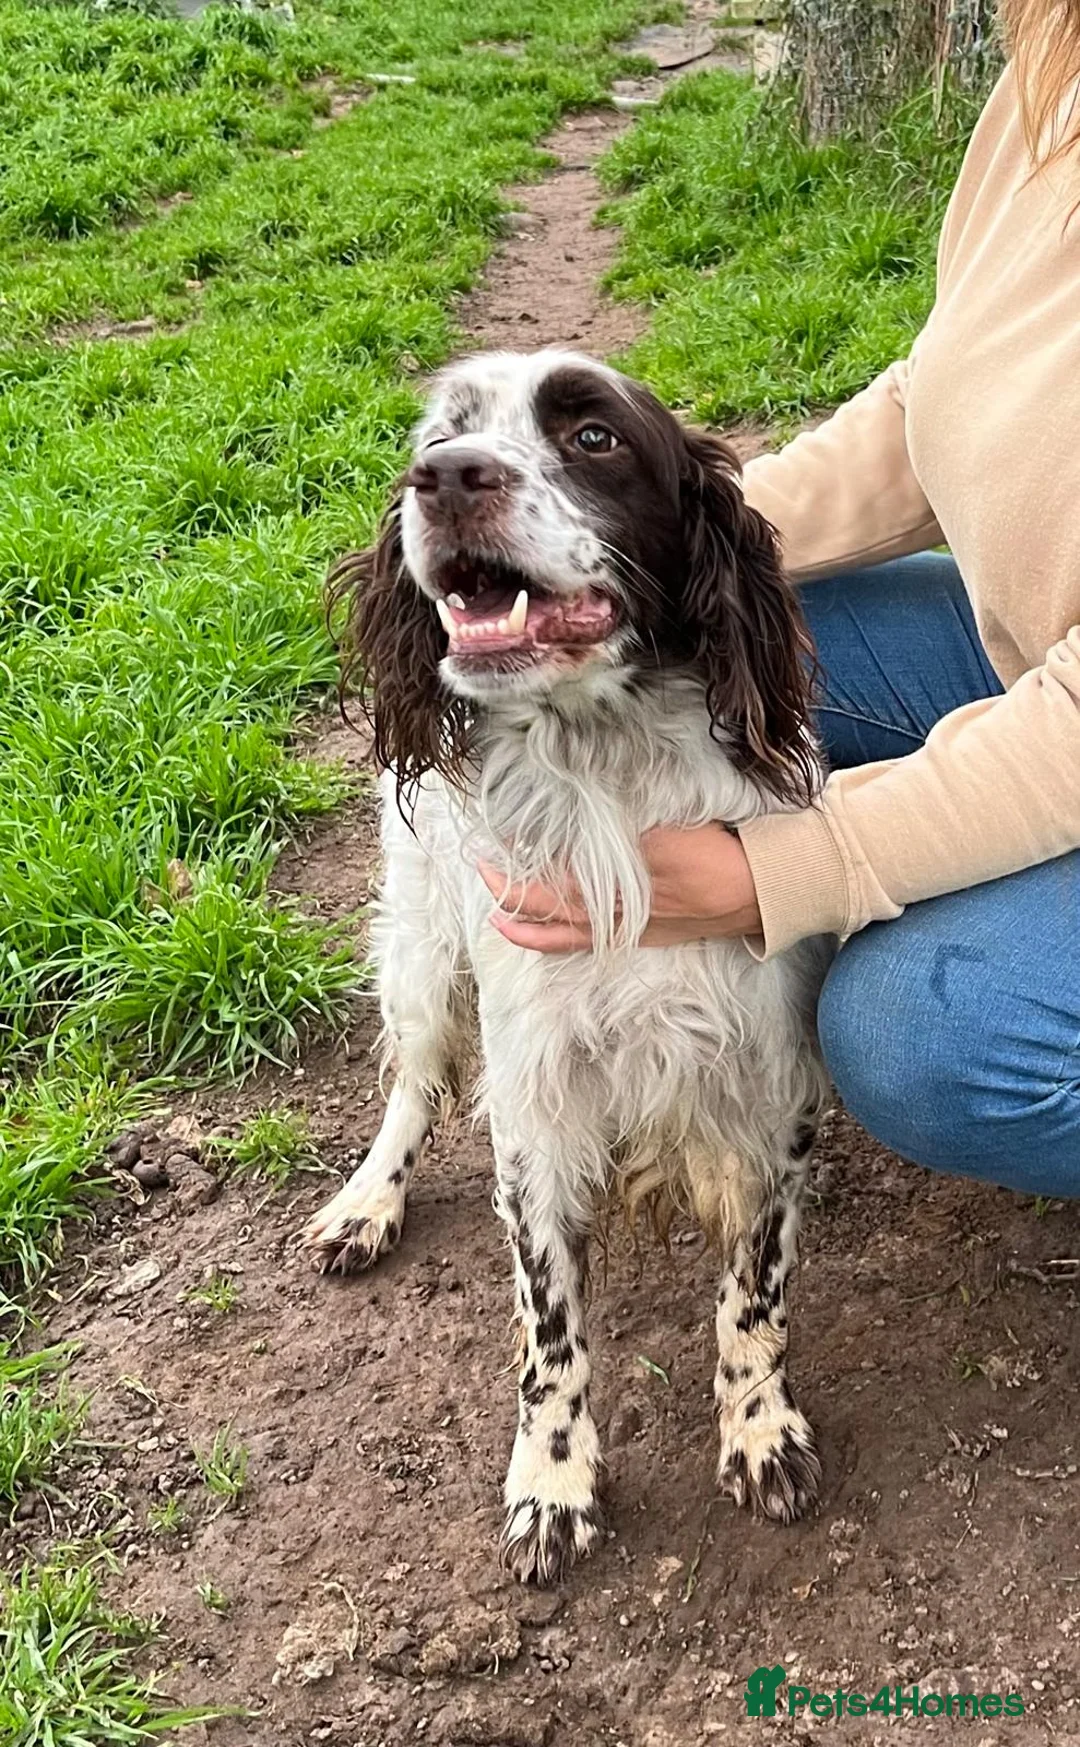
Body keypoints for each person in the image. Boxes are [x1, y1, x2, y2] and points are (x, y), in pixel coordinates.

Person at [479, 3, 1080, 1195]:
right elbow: (942, 397)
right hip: (1038, 651)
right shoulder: (1053, 75)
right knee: (718, 645)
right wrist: (672, 543)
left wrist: (783, 869)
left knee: (927, 1033)